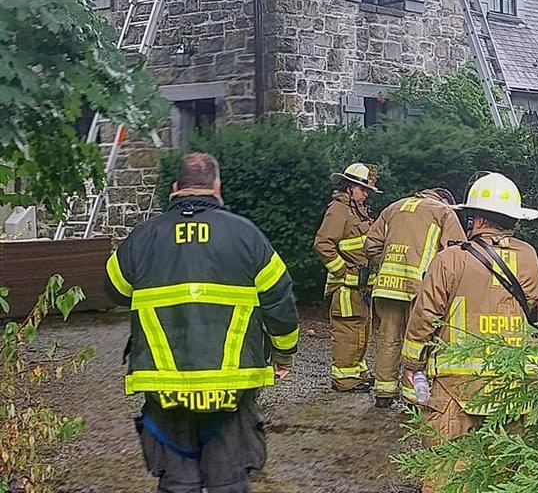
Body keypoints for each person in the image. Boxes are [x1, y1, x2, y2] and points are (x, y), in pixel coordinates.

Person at [104, 152, 299, 493]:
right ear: (217, 187)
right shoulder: (247, 235)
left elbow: (115, 290)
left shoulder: (142, 237)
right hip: (232, 383)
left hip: (164, 381)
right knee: (228, 478)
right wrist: (284, 354)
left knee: (178, 480)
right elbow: (279, 300)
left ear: (175, 188)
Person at [401, 172, 538, 492]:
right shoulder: (529, 258)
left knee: (446, 472)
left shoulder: (451, 259)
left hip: (455, 389)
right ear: (511, 221)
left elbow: (424, 317)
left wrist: (411, 364)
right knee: (505, 475)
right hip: (513, 385)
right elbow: (534, 308)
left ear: (477, 219)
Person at [365, 186, 466, 407]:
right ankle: (413, 398)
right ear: (445, 200)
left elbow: (370, 245)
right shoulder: (443, 212)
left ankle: (384, 393)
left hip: (386, 286)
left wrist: (386, 266)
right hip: (420, 287)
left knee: (388, 338)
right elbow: (458, 251)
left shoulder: (393, 207)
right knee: (418, 340)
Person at [314, 162, 380, 392]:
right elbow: (323, 244)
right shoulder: (339, 211)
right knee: (347, 333)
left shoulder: (357, 211)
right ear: (349, 187)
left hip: (359, 288)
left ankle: (357, 373)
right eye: (363, 189)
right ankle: (344, 380)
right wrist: (342, 271)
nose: (366, 194)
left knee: (361, 331)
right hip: (345, 287)